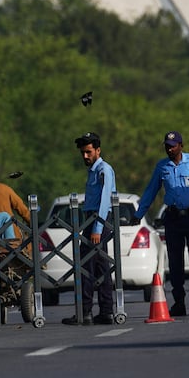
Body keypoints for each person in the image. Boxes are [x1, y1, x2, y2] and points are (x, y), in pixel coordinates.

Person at [136, 131, 189, 317]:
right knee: (175, 262)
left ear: (181, 146)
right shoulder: (162, 166)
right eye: (167, 146)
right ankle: (179, 302)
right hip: (173, 217)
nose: (169, 149)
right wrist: (139, 214)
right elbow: (151, 191)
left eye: (173, 146)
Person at [63, 132, 116, 326]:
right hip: (92, 220)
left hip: (98, 221)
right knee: (101, 268)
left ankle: (84, 312)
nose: (85, 156)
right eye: (83, 153)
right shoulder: (93, 170)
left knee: (86, 266)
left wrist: (97, 228)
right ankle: (106, 312)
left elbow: (105, 200)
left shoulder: (104, 170)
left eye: (88, 152)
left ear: (98, 150)